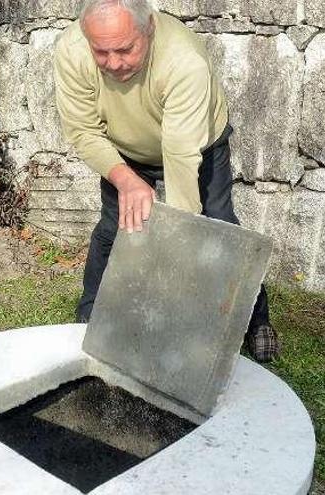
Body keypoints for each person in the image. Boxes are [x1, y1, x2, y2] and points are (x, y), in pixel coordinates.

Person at [52, 0, 281, 362]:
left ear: (150, 29)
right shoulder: (71, 51)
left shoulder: (184, 60)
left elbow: (179, 154)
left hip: (196, 145)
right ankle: (92, 322)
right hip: (123, 150)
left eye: (125, 49)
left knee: (218, 229)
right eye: (102, 52)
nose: (113, 63)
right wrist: (126, 180)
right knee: (115, 228)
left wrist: (179, 249)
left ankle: (255, 321)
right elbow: (81, 130)